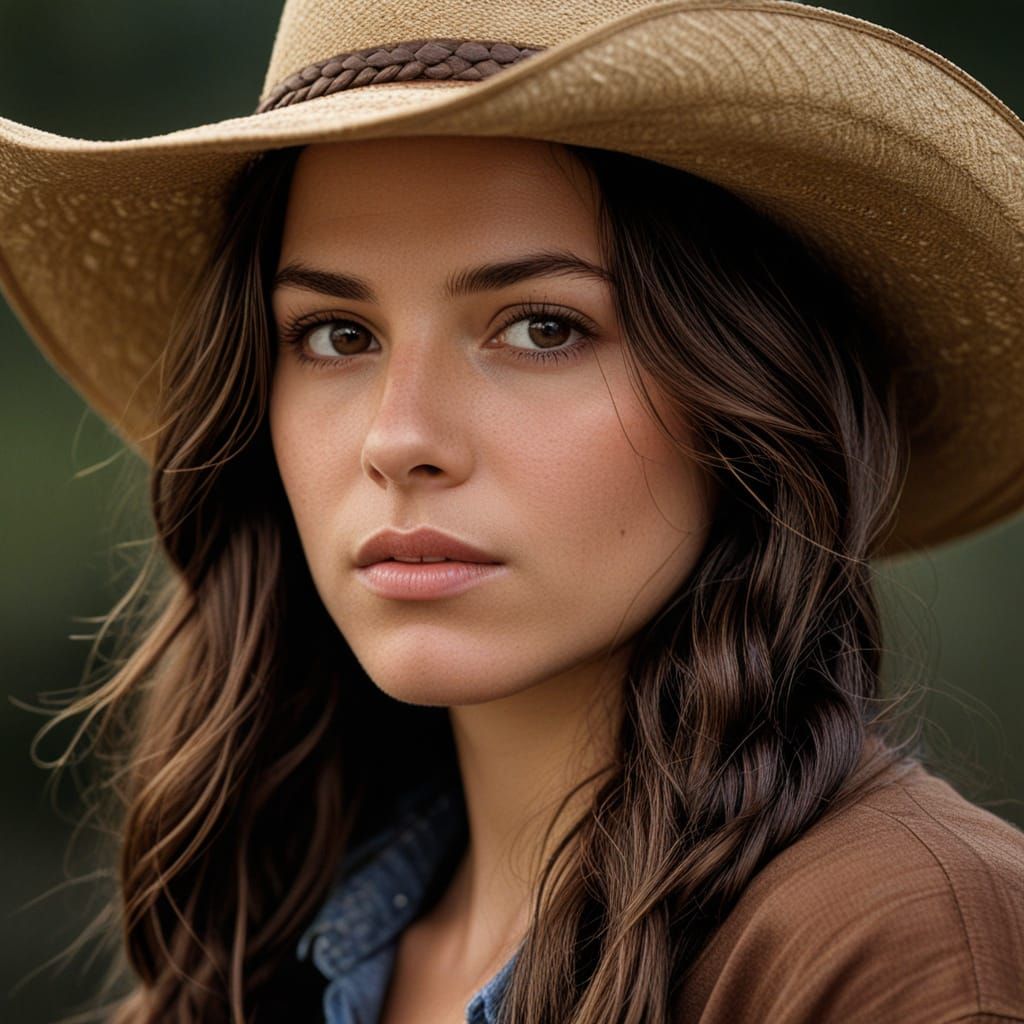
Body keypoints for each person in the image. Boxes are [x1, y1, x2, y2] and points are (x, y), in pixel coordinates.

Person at [2, 2, 1022, 1023]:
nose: (399, 438)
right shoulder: (254, 958)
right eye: (336, 335)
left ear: (750, 393)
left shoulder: (903, 950)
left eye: (541, 328)